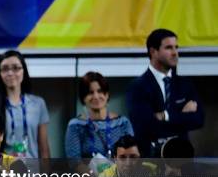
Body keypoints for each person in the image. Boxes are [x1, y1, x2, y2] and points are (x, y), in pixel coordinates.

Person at [126, 29, 204, 157]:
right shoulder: (137, 87)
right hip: (151, 160)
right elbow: (146, 126)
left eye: (176, 47)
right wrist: (181, 116)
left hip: (182, 160)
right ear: (153, 52)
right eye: (169, 48)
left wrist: (165, 116)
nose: (175, 53)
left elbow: (198, 119)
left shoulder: (186, 85)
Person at [0, 50, 50, 159]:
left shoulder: (38, 104)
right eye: (5, 69)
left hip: (32, 173)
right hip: (2, 172)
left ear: (24, 71)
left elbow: (44, 148)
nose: (10, 73)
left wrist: (45, 175)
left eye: (15, 68)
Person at [65, 71, 134, 160]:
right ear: (83, 98)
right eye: (90, 92)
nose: (96, 96)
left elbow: (132, 156)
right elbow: (74, 162)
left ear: (107, 95)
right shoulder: (75, 125)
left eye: (100, 91)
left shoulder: (122, 123)